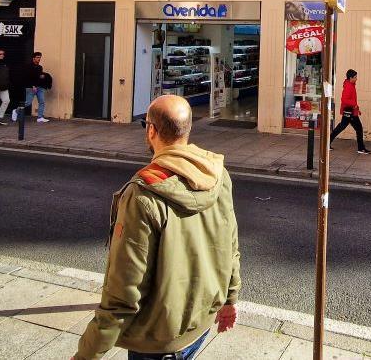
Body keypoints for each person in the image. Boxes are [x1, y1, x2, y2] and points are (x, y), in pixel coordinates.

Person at [74, 94, 240, 360]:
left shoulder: (143, 195)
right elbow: (231, 245)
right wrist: (230, 300)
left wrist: (87, 353)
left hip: (158, 341)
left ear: (151, 130)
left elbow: (125, 290)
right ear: (188, 130)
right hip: (200, 325)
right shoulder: (218, 174)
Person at [329, 69, 371, 154]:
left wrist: (357, 108)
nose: (356, 79)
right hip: (350, 112)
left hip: (350, 111)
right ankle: (361, 148)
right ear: (350, 78)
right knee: (359, 129)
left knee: (341, 127)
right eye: (355, 77)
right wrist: (354, 105)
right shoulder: (349, 86)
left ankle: (327, 143)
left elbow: (351, 99)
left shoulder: (350, 85)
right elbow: (344, 99)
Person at [23, 51, 50, 123]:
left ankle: (40, 117)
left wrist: (42, 76)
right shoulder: (28, 66)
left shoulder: (40, 67)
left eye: (40, 58)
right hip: (31, 87)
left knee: (42, 101)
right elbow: (27, 77)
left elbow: (38, 76)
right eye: (37, 57)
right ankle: (16, 111)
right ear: (33, 58)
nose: (39, 59)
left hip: (40, 87)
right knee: (28, 103)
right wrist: (33, 86)